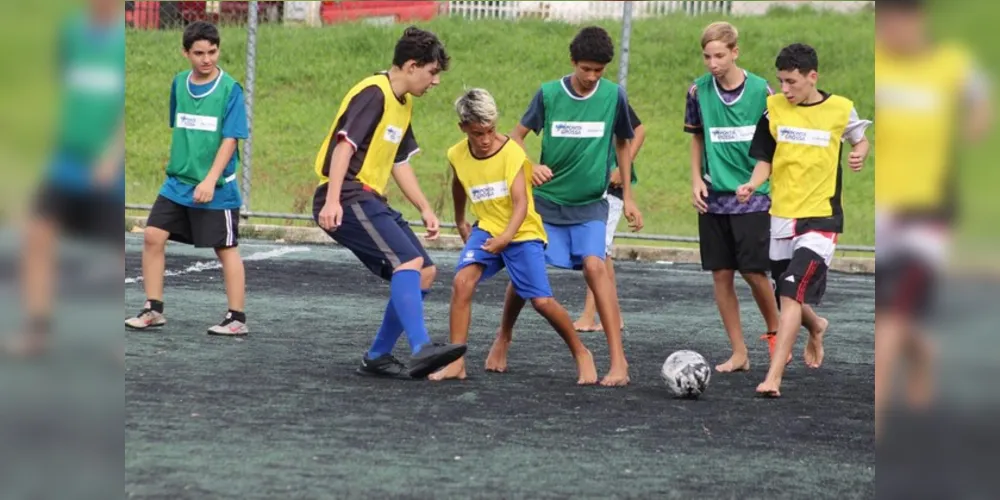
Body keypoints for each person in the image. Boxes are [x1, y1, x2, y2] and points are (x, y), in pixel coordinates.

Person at [485, 26, 643, 387]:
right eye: (585, 69)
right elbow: (514, 139)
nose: (591, 77)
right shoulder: (549, 94)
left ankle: (619, 363)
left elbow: (623, 142)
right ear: (573, 62)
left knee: (595, 266)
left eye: (598, 71)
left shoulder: (614, 96)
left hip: (590, 205)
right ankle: (503, 338)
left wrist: (629, 197)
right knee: (525, 273)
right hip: (546, 205)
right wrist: (530, 166)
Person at [311, 26, 466, 380]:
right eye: (433, 72)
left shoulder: (404, 103)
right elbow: (344, 146)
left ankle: (378, 356)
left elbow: (399, 161)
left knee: (424, 270)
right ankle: (422, 347)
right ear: (411, 65)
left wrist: (425, 207)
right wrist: (333, 200)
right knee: (408, 261)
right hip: (347, 194)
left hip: (367, 196)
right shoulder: (374, 93)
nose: (436, 81)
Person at [873, 0, 992, 438]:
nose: (891, 31)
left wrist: (972, 127)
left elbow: (980, 97)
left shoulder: (950, 63)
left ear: (918, 21)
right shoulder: (879, 65)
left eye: (898, 22)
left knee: (890, 310)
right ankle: (923, 352)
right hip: (884, 208)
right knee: (900, 315)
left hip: (929, 209)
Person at [428, 89, 598, 384]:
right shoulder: (456, 154)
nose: (485, 139)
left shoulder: (512, 152)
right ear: (463, 128)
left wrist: (506, 238)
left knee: (541, 302)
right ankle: (456, 362)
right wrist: (459, 219)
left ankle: (582, 353)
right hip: (487, 228)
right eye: (478, 133)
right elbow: (459, 184)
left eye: (490, 131)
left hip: (522, 231)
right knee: (461, 282)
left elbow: (521, 204)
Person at [737, 43, 872, 397]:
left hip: (822, 218)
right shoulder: (773, 110)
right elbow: (765, 157)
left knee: (791, 290)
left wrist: (859, 153)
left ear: (813, 77)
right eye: (781, 81)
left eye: (792, 81)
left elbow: (860, 139)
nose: (785, 89)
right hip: (782, 215)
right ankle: (817, 325)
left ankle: (774, 377)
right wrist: (752, 183)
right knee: (788, 291)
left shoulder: (841, 109)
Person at [7, 0, 124, 356]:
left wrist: (111, 155)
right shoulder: (71, 33)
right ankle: (37, 333)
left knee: (119, 252)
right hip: (66, 161)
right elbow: (61, 94)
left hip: (108, 169)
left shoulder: (123, 43)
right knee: (37, 238)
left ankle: (123, 342)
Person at [125, 21, 249, 336]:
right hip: (178, 182)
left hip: (217, 186)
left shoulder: (230, 89)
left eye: (212, 51)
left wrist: (209, 180)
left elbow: (230, 140)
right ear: (185, 53)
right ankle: (154, 309)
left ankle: (237, 319)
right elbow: (181, 127)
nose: (206, 59)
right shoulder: (179, 84)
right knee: (153, 235)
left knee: (225, 247)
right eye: (199, 53)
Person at [684, 21, 781, 373]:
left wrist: (756, 182)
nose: (713, 63)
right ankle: (739, 352)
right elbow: (696, 137)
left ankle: (776, 333)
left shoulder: (763, 91)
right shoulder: (697, 91)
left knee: (755, 272)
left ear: (735, 52)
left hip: (753, 197)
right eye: (707, 56)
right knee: (721, 274)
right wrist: (695, 178)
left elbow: (773, 145)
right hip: (713, 195)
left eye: (720, 55)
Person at [572, 106, 645, 334]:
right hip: (588, 184)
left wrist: (622, 169)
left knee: (597, 251)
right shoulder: (568, 102)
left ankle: (588, 316)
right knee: (603, 252)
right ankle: (613, 316)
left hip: (610, 188)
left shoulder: (609, 98)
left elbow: (639, 130)